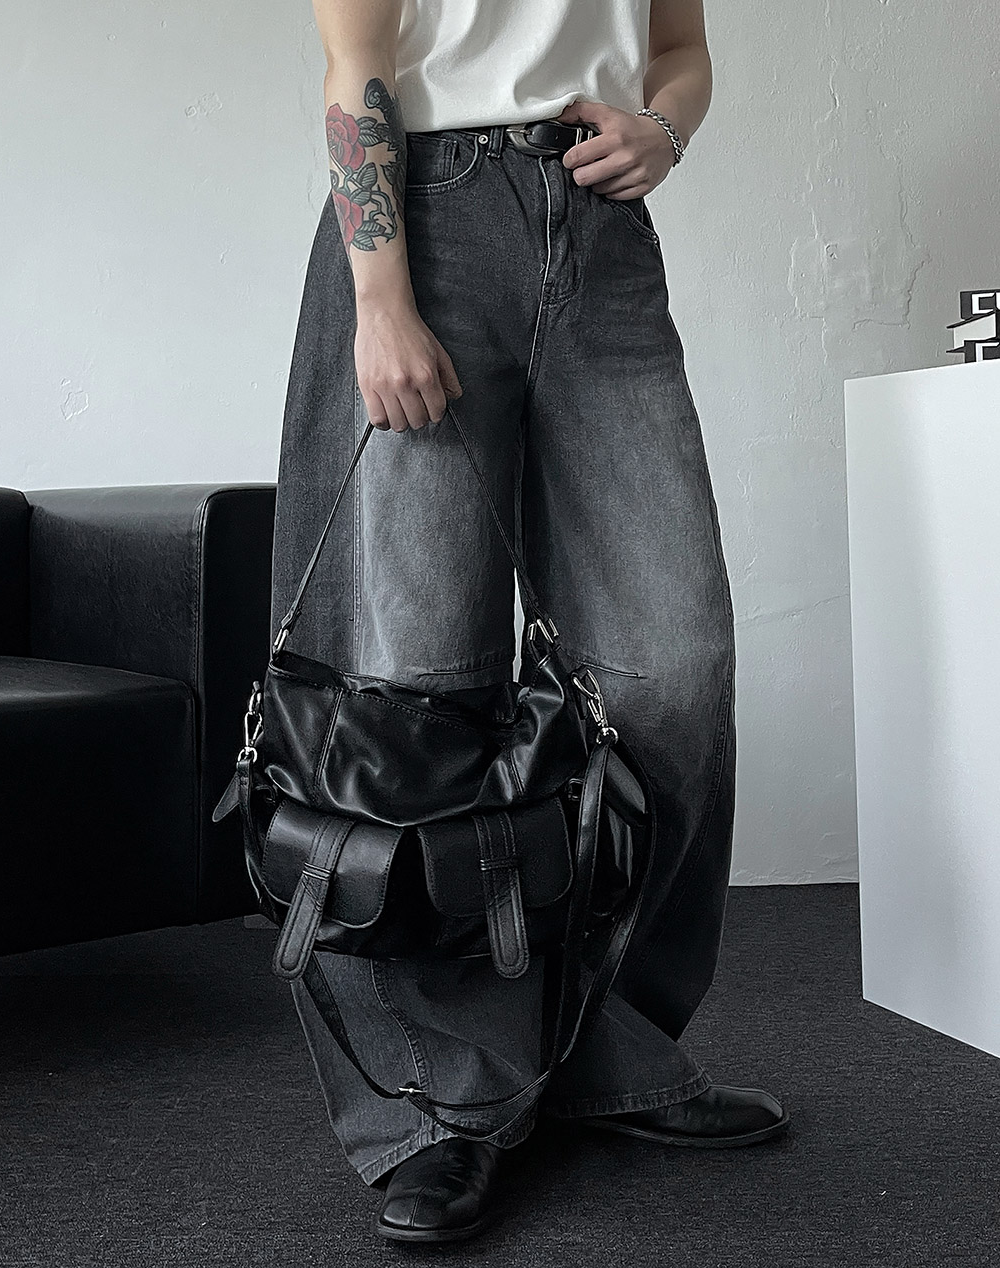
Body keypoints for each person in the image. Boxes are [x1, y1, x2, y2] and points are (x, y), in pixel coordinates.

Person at [268, 0, 790, 1245]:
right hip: (423, 222)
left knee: (671, 670)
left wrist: (664, 128)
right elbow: (354, 61)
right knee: (413, 692)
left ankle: (610, 1046)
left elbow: (680, 49)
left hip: (600, 235)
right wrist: (380, 298)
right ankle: (437, 1105)